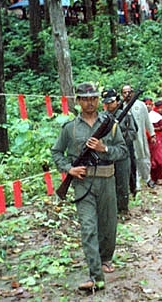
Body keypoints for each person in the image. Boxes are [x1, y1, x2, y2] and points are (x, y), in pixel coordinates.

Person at [51, 83, 128, 291]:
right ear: (78, 101)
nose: (90, 102)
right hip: (82, 183)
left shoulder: (110, 124)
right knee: (88, 228)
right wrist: (69, 169)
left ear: (98, 100)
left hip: (106, 180)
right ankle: (96, 276)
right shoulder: (70, 128)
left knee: (108, 226)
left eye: (93, 98)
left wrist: (104, 148)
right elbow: (57, 152)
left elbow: (123, 151)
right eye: (85, 99)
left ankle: (105, 258)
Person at [101, 88, 133, 213]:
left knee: (122, 183)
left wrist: (119, 138)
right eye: (106, 102)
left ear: (117, 101)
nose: (109, 105)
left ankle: (123, 208)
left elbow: (132, 133)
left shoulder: (125, 115)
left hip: (122, 154)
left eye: (111, 102)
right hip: (106, 154)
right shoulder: (102, 117)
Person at [121, 85, 156, 190]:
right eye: (125, 92)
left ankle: (147, 178)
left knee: (143, 159)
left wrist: (152, 134)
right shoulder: (120, 107)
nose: (127, 94)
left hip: (140, 138)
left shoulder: (140, 105)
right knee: (131, 160)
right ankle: (136, 184)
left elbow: (147, 121)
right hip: (126, 140)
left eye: (129, 92)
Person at [147, 99, 162, 185]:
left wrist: (152, 130)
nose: (148, 106)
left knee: (157, 157)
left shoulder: (157, 116)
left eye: (149, 104)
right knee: (149, 157)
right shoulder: (144, 115)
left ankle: (159, 177)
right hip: (147, 138)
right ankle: (152, 178)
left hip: (157, 138)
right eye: (146, 104)